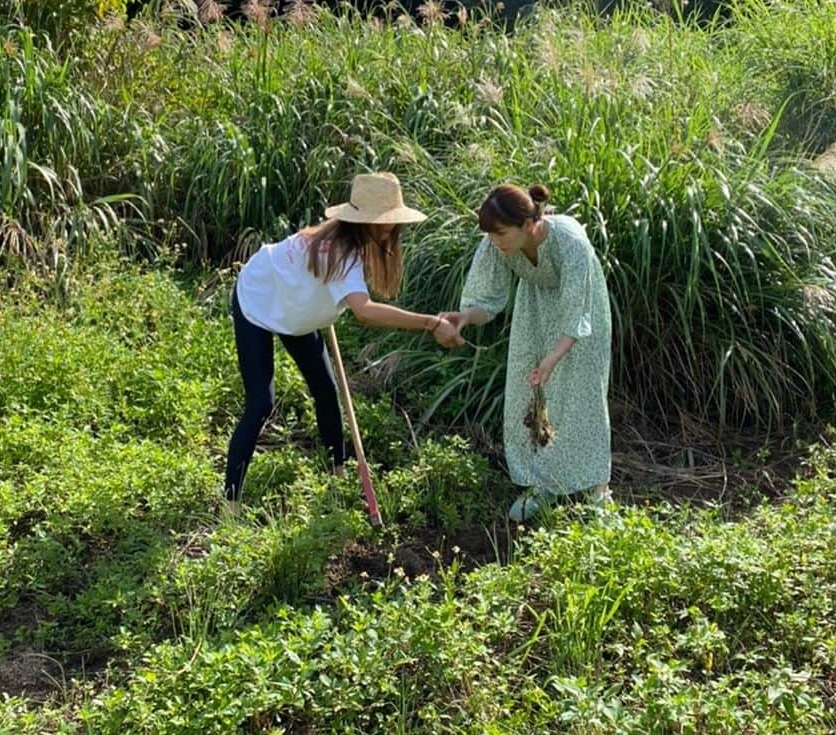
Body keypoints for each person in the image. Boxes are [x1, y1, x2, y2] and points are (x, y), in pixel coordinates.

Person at [225, 172, 462, 510]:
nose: (395, 230)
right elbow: (364, 312)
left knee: (326, 389)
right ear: (369, 223)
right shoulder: (341, 252)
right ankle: (230, 503)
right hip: (258, 298)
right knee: (261, 402)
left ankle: (338, 474)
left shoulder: (346, 242)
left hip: (296, 308)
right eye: (389, 223)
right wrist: (431, 323)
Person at [442, 183, 612, 522]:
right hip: (533, 309)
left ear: (527, 224)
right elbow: (487, 301)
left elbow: (577, 310)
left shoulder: (570, 240)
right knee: (528, 393)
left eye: (501, 234)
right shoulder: (498, 242)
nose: (495, 242)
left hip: (582, 318)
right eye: (490, 235)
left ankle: (597, 491)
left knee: (582, 395)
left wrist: (553, 358)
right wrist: (464, 317)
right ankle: (540, 483)